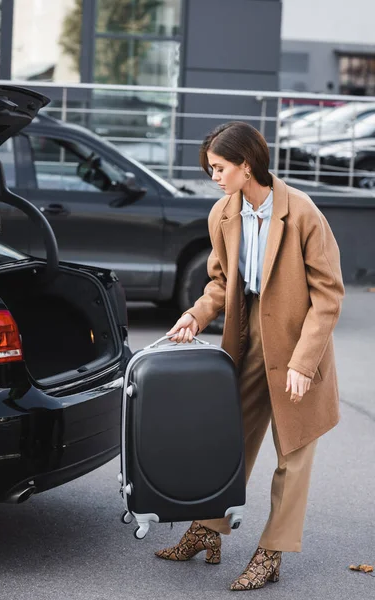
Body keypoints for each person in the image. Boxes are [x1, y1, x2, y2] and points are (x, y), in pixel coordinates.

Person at [154, 121, 345, 591]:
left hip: (299, 339)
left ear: (246, 164)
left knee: (293, 451)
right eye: (210, 169)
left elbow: (329, 294)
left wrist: (304, 363)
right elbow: (220, 282)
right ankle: (208, 529)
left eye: (219, 168)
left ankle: (272, 552)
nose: (213, 176)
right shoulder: (222, 213)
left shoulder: (301, 212)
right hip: (248, 337)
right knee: (228, 439)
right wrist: (197, 315)